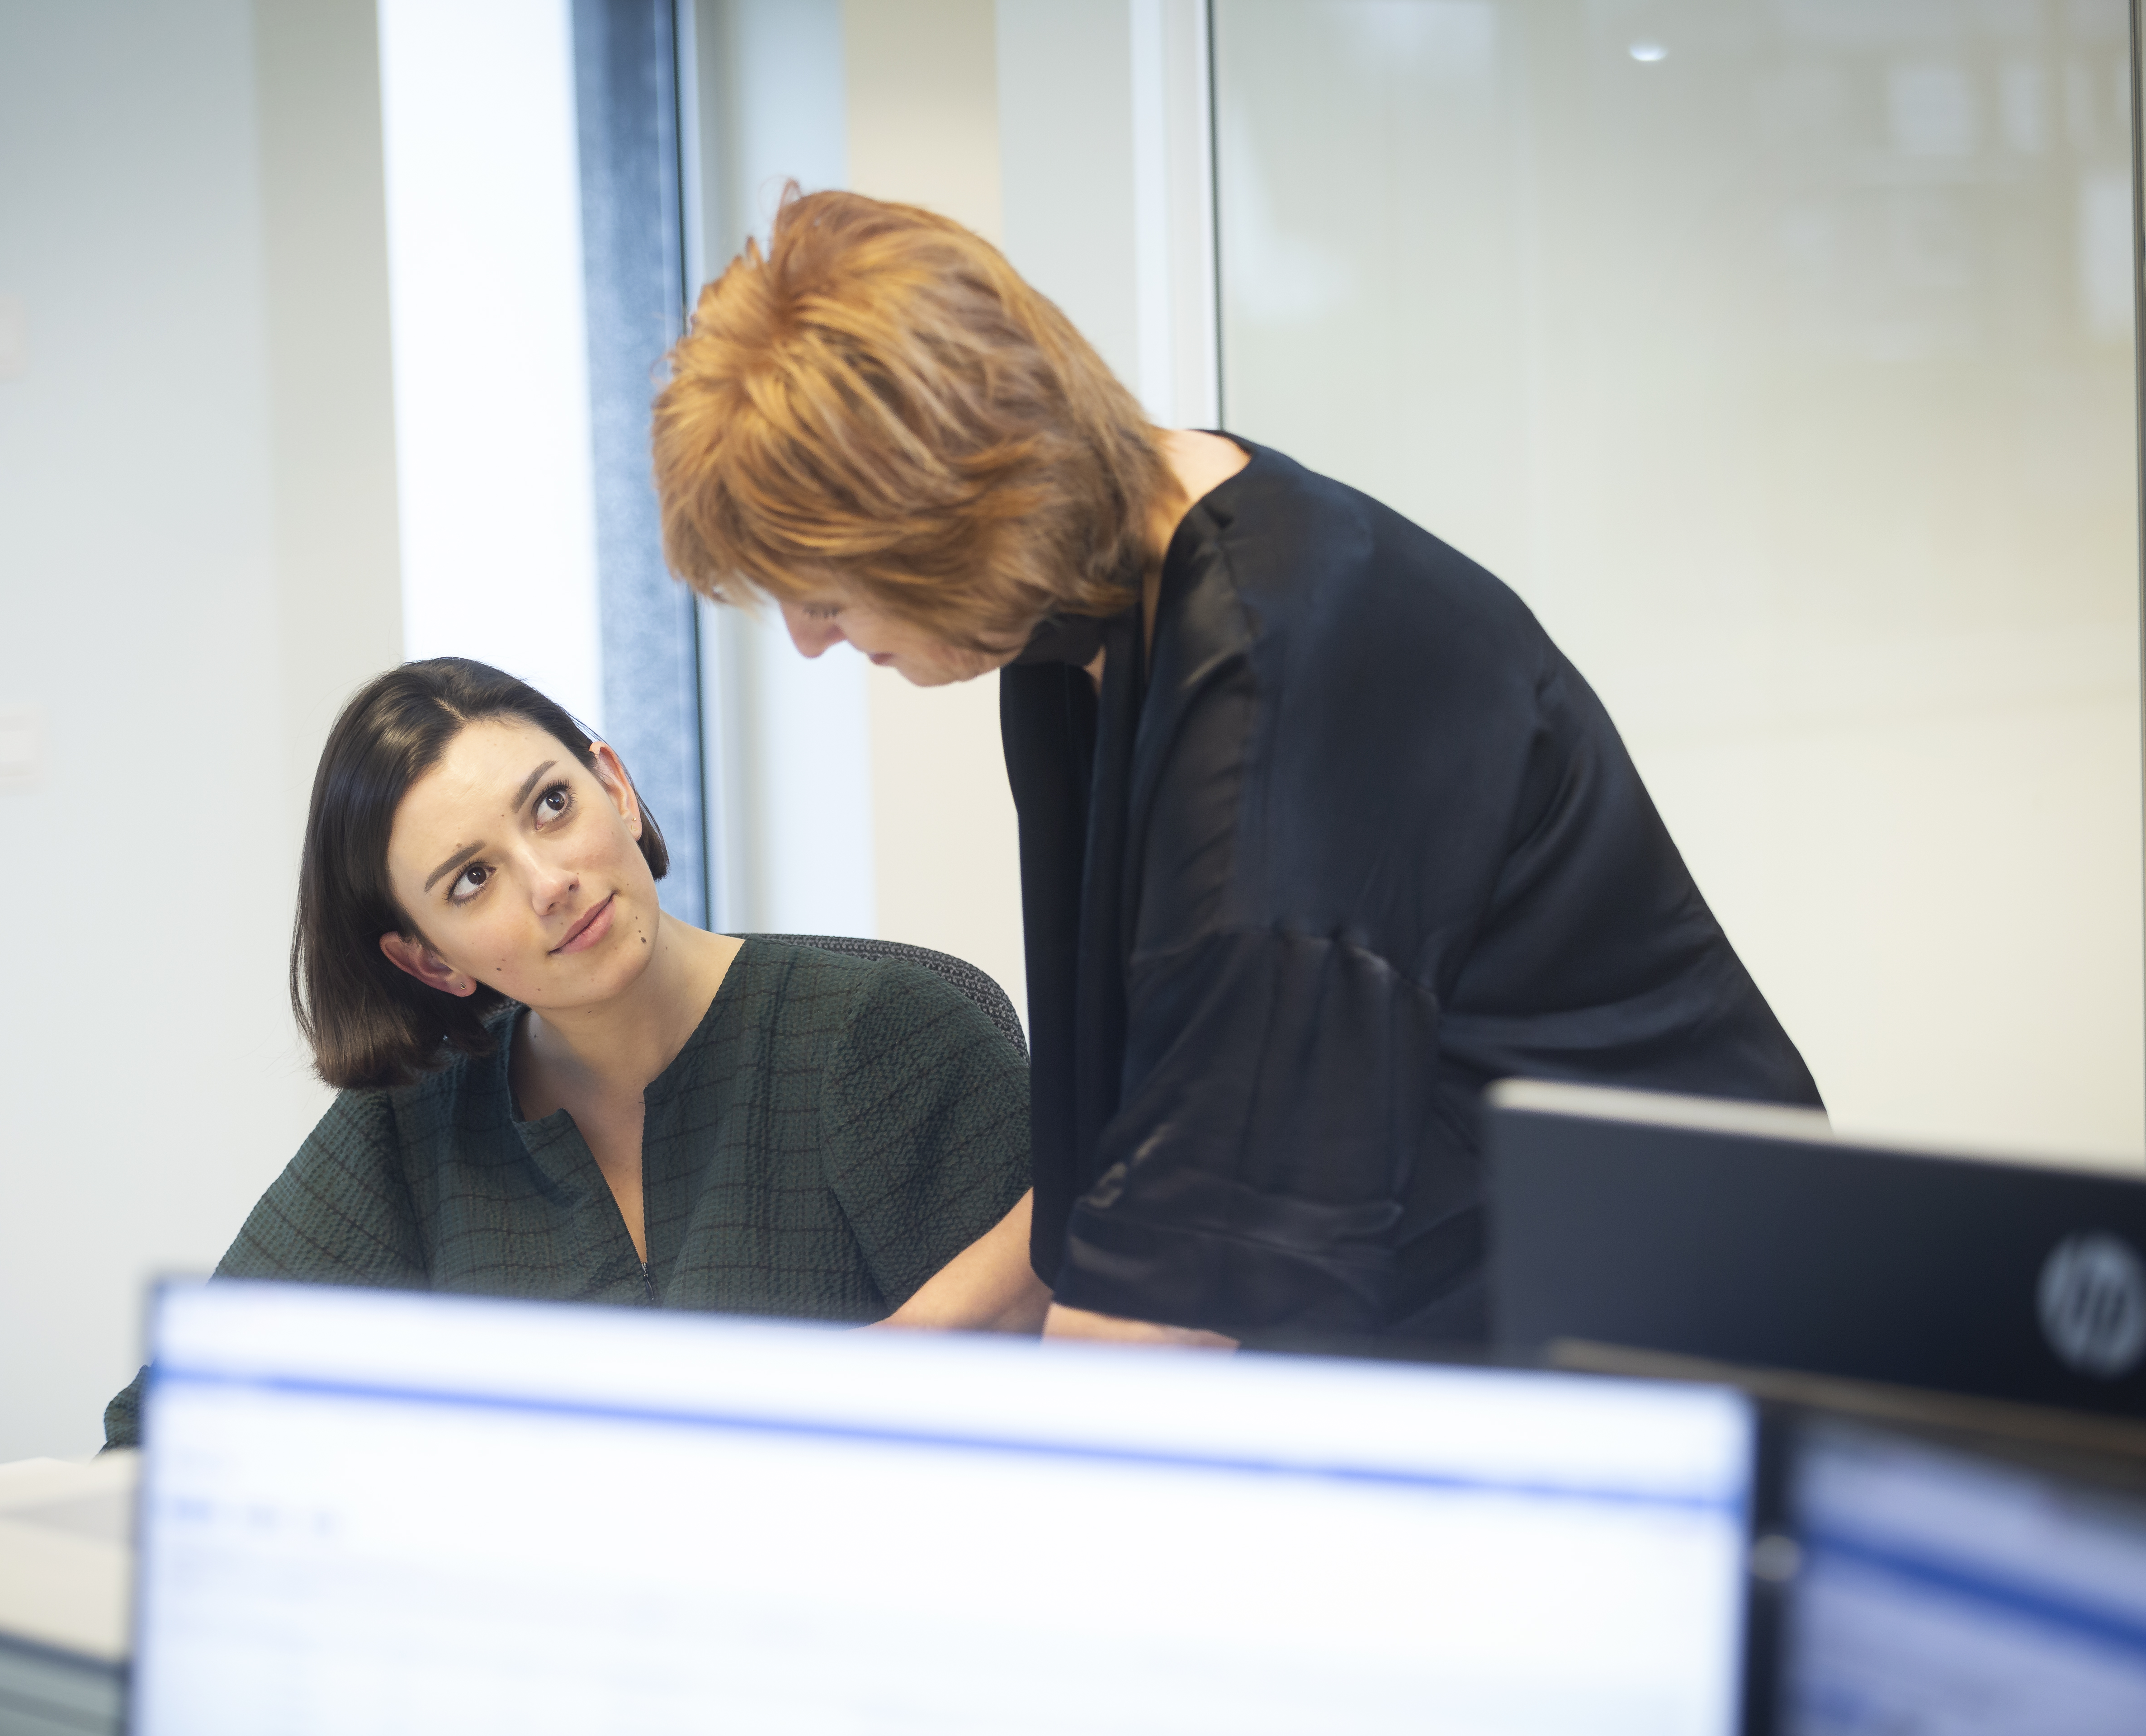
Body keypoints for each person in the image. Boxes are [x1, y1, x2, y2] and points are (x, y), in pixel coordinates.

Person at [650, 189, 1822, 1352]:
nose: (810, 640)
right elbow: (1124, 1174)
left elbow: (1168, 1309)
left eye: (822, 589)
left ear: (951, 514)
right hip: (1459, 1316)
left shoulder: (1283, 667)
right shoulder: (1079, 632)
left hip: (1655, 1329)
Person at [102, 658, 1041, 1447]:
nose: (550, 882)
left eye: (552, 805)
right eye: (472, 879)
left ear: (617, 788)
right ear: (428, 958)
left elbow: (1065, 1394)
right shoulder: (416, 1123)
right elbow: (171, 1419)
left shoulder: (886, 1040)